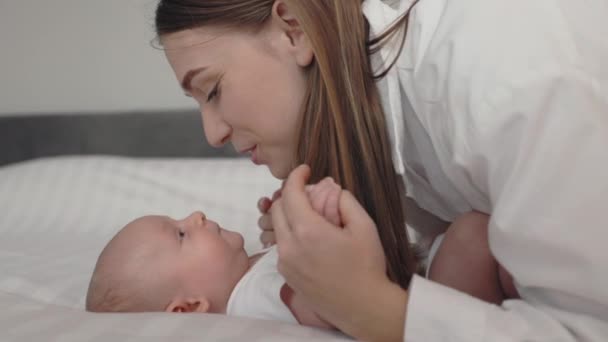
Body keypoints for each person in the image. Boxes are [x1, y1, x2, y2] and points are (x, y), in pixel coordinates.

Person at [154, 0, 608, 341]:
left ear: (292, 30)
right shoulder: (391, 125)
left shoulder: (506, 79)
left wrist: (365, 304)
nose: (212, 133)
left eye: (211, 90)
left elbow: (586, 329)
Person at [85, 178, 341, 330]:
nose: (197, 215)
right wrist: (323, 221)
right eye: (181, 234)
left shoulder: (248, 276)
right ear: (191, 307)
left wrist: (290, 222)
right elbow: (331, 303)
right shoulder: (256, 296)